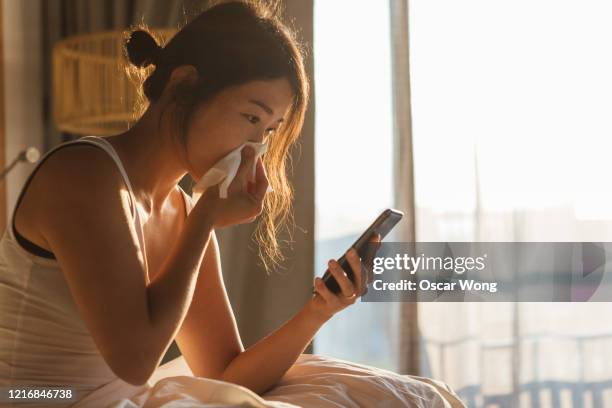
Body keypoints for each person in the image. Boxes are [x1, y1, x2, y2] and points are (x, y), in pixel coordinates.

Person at [0, 0, 381, 406]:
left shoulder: (181, 211)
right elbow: (135, 361)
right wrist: (204, 222)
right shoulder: (85, 175)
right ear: (183, 86)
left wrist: (320, 310)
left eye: (269, 130)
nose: (255, 148)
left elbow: (225, 373)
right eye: (252, 118)